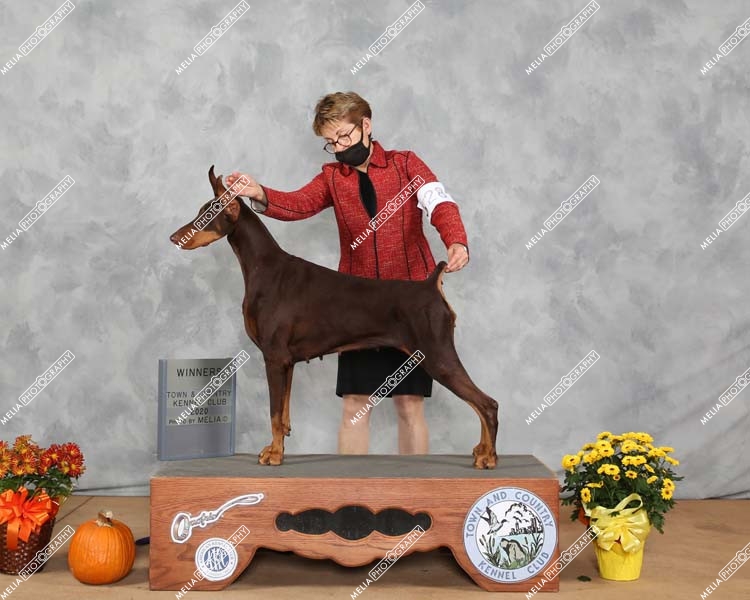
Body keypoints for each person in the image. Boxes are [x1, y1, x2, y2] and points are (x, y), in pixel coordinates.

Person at [226, 91, 469, 456]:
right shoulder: (332, 178)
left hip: (409, 301)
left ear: (365, 125)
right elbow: (299, 204)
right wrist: (259, 192)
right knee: (356, 404)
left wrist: (456, 240)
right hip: (354, 307)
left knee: (409, 405)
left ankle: (414, 485)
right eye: (331, 142)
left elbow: (440, 203)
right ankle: (352, 490)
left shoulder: (406, 164)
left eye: (343, 136)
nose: (338, 148)